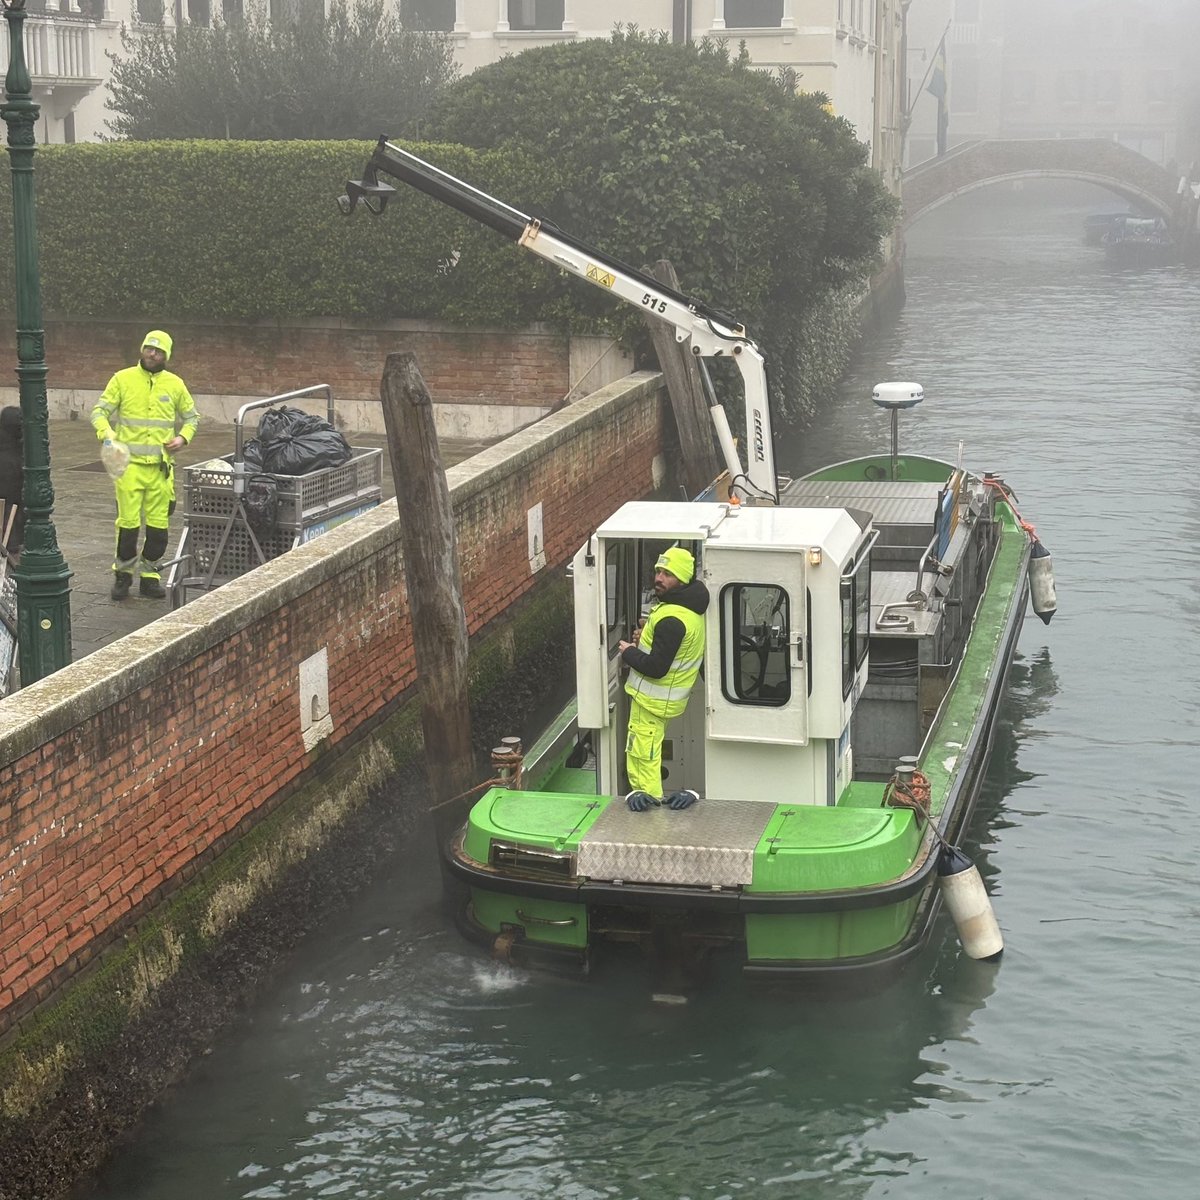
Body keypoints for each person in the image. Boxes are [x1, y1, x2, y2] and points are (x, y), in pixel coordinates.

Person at [91, 330, 200, 600]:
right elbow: (99, 412)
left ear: (167, 355)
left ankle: (150, 577)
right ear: (142, 349)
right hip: (129, 468)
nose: (153, 353)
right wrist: (107, 434)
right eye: (149, 348)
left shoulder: (175, 384)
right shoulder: (122, 379)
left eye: (159, 351)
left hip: (161, 470)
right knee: (128, 527)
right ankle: (123, 576)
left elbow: (192, 417)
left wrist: (183, 438)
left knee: (158, 530)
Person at [617, 545, 709, 812]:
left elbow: (657, 667)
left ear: (682, 579)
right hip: (664, 701)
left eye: (667, 574)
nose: (658, 578)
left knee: (643, 757)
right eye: (658, 571)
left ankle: (649, 811)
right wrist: (645, 635)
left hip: (651, 702)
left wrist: (629, 652)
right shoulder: (686, 610)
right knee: (647, 753)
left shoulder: (672, 620)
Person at [0, 406, 24, 560]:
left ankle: (12, 543)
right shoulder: (17, 442)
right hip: (10, 476)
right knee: (11, 507)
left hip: (9, 475)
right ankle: (12, 544)